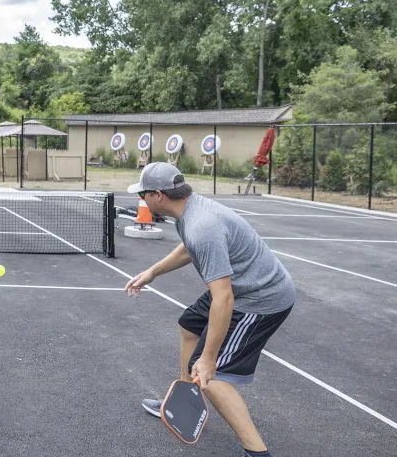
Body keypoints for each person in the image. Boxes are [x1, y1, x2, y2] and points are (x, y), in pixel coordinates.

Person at [124, 162, 295, 457]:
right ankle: (183, 401)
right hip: (240, 288)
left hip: (259, 299)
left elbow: (223, 299)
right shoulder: (187, 213)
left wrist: (208, 359)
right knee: (189, 324)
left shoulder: (203, 225)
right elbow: (189, 248)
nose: (141, 200)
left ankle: (257, 452)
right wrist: (153, 272)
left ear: (158, 196)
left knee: (214, 376)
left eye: (143, 195)